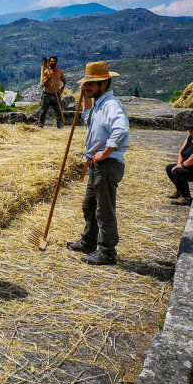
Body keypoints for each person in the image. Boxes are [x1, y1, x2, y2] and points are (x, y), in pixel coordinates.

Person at [67, 61, 129, 266]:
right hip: (96, 165)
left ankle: (107, 252)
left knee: (104, 209)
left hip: (107, 165)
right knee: (89, 205)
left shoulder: (111, 105)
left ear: (105, 84)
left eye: (91, 85)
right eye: (86, 85)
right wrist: (85, 95)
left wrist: (105, 152)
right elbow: (87, 118)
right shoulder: (99, 105)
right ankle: (88, 242)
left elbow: (121, 130)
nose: (88, 88)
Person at [38, 56, 66, 129]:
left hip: (56, 94)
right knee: (43, 111)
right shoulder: (45, 72)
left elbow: (64, 80)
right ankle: (40, 125)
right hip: (46, 94)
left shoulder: (60, 72)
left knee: (59, 111)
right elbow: (43, 84)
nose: (53, 63)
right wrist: (48, 78)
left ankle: (60, 126)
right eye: (52, 61)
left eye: (55, 61)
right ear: (49, 62)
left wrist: (61, 89)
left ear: (57, 62)